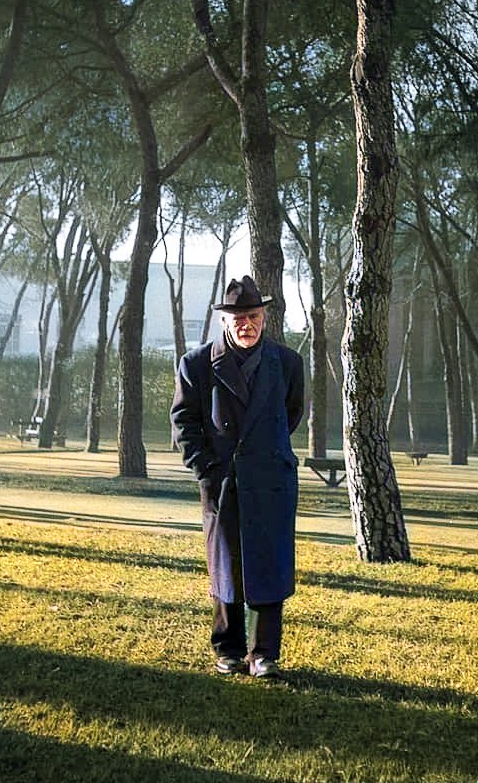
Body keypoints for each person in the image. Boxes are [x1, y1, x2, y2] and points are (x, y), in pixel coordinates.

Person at [171, 275, 305, 679]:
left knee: (270, 566)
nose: (248, 325)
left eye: (254, 317)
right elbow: (183, 422)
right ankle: (228, 651)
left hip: (271, 480)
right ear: (224, 321)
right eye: (239, 319)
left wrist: (266, 453)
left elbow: (291, 414)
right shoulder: (197, 364)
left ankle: (264, 655)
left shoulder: (288, 363)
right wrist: (207, 469)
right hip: (222, 482)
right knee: (225, 567)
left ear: (264, 318)